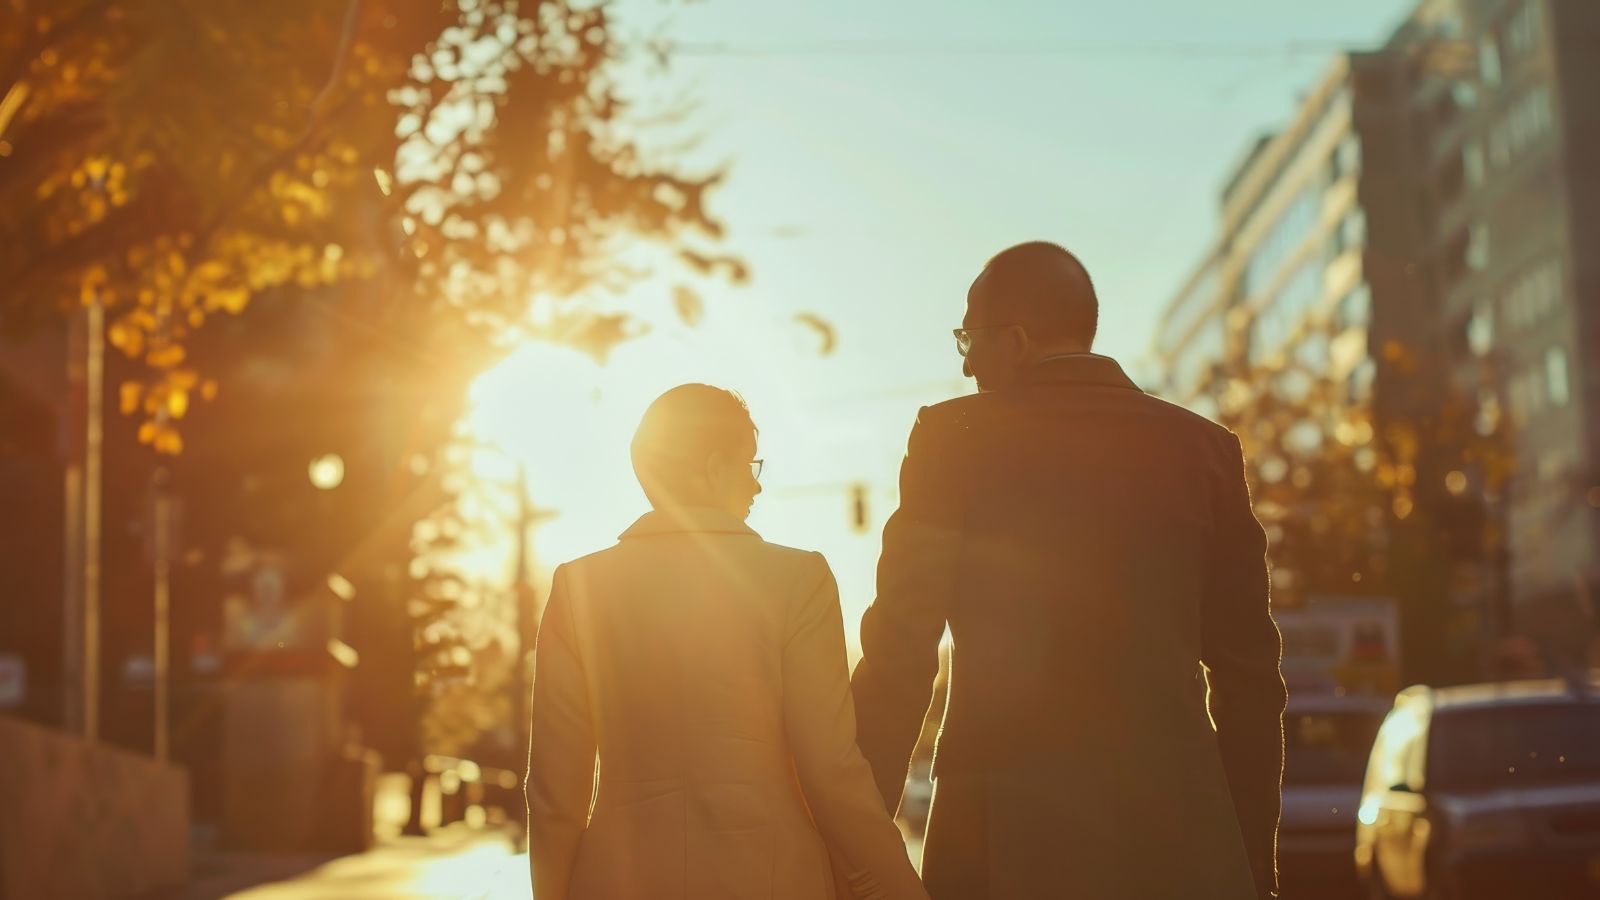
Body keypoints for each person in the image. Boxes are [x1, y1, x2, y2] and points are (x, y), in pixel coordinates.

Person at [850, 242, 1287, 899]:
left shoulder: (953, 440)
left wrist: (851, 843)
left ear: (1017, 340)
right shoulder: (1205, 452)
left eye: (970, 337)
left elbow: (900, 652)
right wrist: (1250, 858)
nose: (964, 361)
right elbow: (1251, 678)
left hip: (1003, 849)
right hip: (1179, 849)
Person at [526, 384, 929, 900]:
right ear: (715, 466)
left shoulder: (578, 586)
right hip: (772, 876)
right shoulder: (798, 578)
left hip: (618, 876)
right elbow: (829, 767)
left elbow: (555, 791)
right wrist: (896, 884)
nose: (756, 487)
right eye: (749, 466)